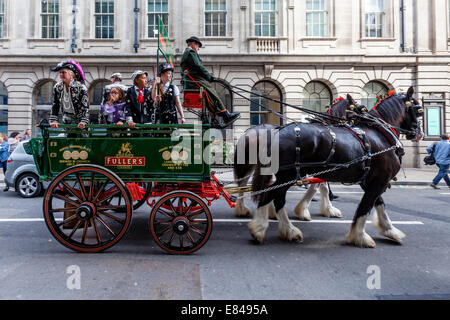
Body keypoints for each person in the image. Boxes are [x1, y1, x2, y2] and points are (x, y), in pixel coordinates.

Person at [180, 36, 240, 127]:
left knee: (209, 90)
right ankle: (224, 114)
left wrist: (209, 76)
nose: (198, 48)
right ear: (193, 44)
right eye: (198, 46)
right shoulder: (190, 52)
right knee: (210, 90)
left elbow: (197, 67)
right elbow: (198, 66)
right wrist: (208, 76)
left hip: (193, 78)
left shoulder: (188, 52)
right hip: (192, 79)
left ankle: (221, 114)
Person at [49, 60, 89, 130]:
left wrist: (84, 121)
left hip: (80, 121)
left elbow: (85, 107)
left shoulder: (81, 87)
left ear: (71, 74)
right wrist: (53, 120)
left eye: (63, 72)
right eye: (60, 72)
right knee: (66, 139)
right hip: (66, 119)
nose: (61, 74)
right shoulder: (57, 87)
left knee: (81, 139)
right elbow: (55, 104)